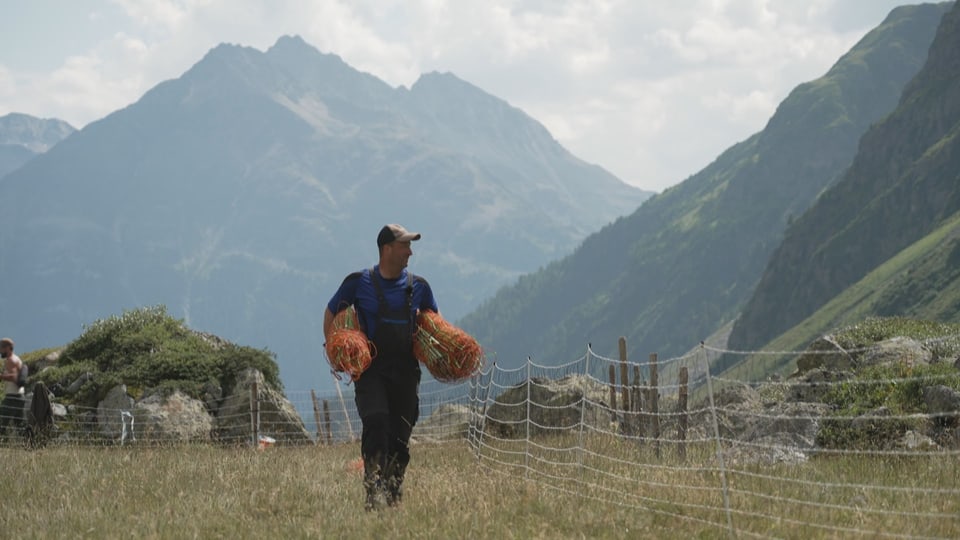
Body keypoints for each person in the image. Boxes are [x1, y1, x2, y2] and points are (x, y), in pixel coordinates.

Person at [323, 224, 438, 511]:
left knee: (400, 435)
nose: (410, 252)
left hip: (405, 370)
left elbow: (435, 323)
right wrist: (335, 350)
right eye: (405, 246)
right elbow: (332, 312)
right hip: (371, 369)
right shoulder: (357, 282)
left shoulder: (419, 286)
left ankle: (393, 491)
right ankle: (373, 491)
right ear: (387, 249)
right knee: (375, 422)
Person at [0, 337, 25, 440]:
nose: (0, 351)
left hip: (12, 398)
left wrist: (1, 376)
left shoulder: (10, 360)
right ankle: (30, 444)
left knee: (1, 421)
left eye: (1, 348)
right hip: (19, 397)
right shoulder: (16, 359)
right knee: (20, 425)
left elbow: (14, 377)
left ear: (7, 348)